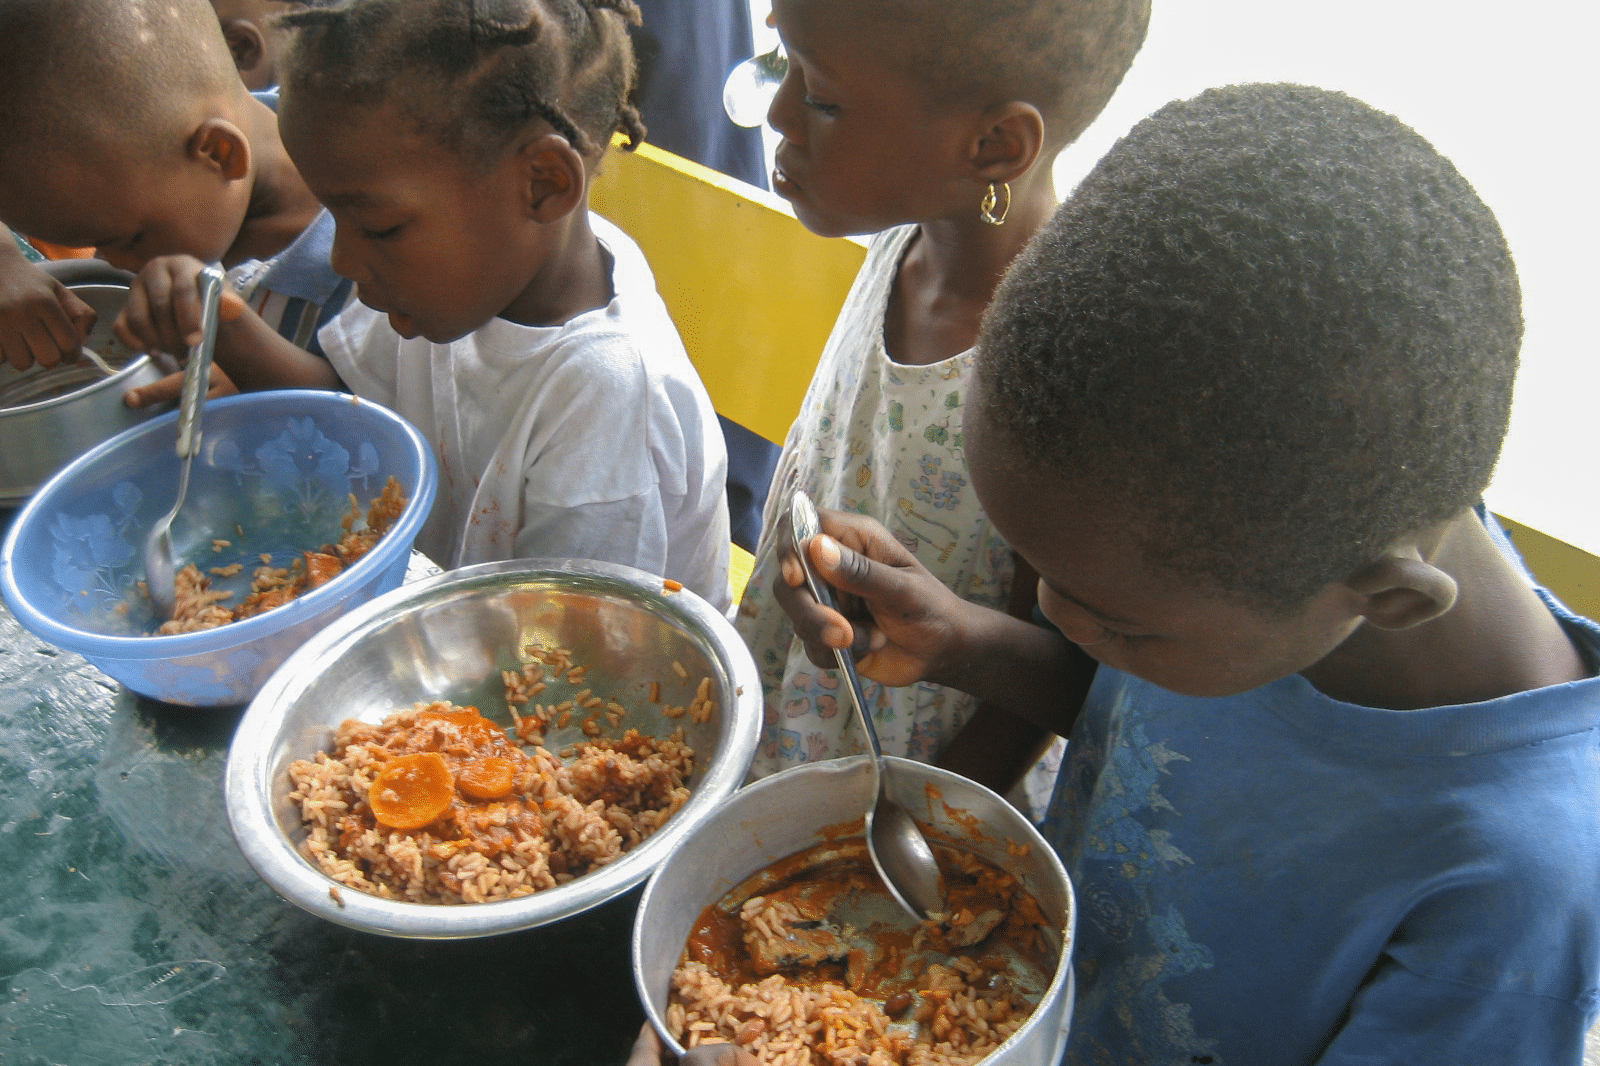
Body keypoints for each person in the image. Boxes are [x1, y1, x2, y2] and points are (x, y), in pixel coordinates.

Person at [771, 83, 1600, 1063]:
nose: (1046, 607)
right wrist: (964, 641)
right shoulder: (1269, 553)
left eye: (1113, 621)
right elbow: (1148, 715)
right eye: (1046, 581)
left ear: (1384, 596)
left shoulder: (1516, 887)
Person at [114, 0, 734, 609]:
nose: (343, 262)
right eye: (334, 218)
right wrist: (227, 324)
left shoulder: (606, 399)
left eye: (378, 228)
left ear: (544, 184)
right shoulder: (473, 279)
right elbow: (345, 404)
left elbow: (571, 663)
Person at [733, 0, 1149, 788]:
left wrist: (910, 826)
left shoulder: (1057, 367)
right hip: (799, 720)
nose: (779, 114)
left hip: (929, 789)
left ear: (994, 146)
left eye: (821, 98)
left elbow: (1061, 677)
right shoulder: (906, 234)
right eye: (783, 63)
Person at [0, 0, 336, 396]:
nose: (113, 264)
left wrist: (239, 352)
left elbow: (379, 406)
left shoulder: (377, 237)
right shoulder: (158, 163)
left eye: (128, 240)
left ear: (219, 154)